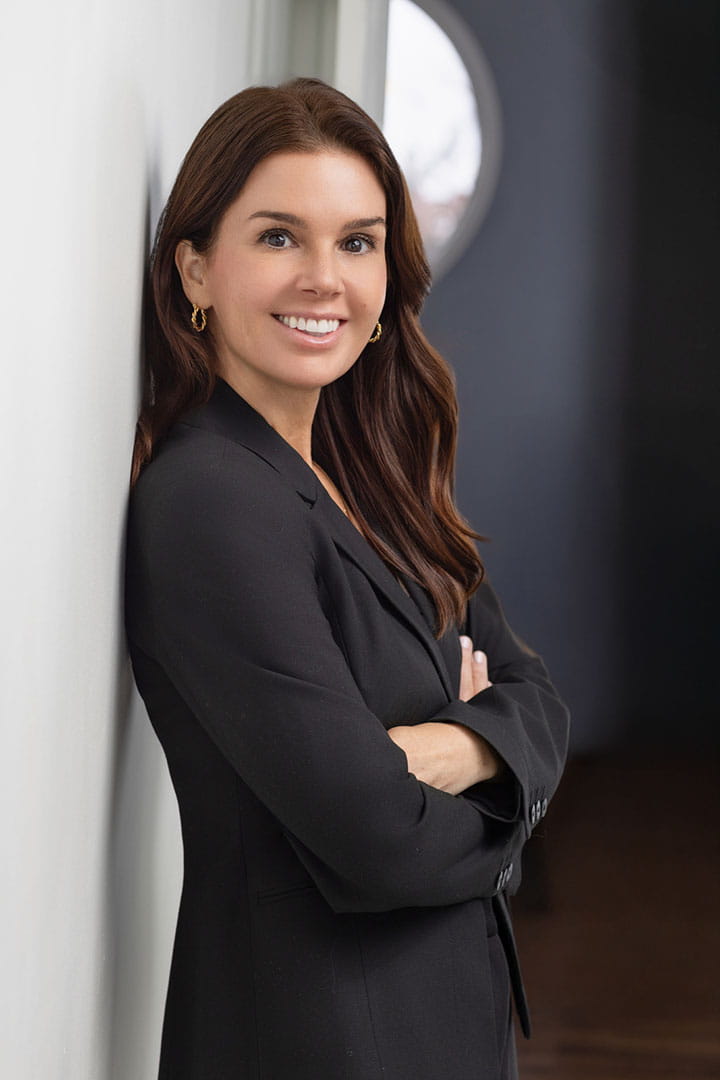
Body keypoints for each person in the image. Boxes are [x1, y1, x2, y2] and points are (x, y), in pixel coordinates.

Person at [125, 77, 570, 1080]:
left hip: (436, 1025)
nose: (324, 277)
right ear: (196, 270)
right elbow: (377, 835)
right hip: (315, 1039)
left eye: (357, 241)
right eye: (279, 237)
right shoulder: (208, 500)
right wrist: (490, 759)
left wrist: (449, 750)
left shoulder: (379, 476)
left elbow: (539, 702)